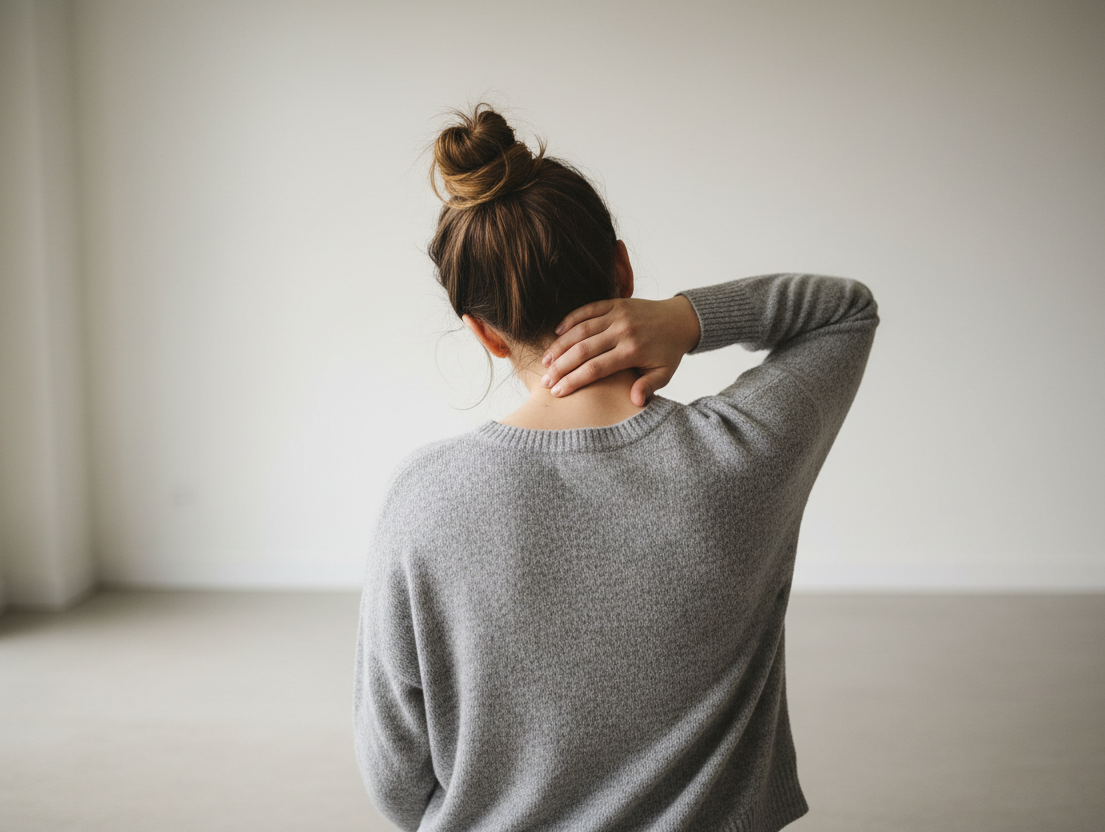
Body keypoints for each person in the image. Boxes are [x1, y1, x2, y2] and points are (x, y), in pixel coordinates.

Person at [354, 104, 879, 832]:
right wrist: (690, 317)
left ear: (485, 334)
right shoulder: (741, 454)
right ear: (623, 271)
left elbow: (394, 774)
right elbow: (844, 311)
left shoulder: (425, 497)